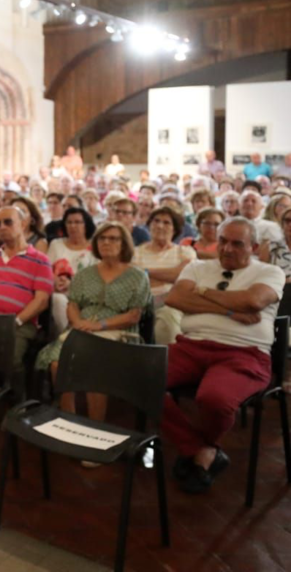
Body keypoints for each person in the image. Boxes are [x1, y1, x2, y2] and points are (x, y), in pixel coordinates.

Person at [162, 218, 284, 493]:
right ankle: (201, 450)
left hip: (244, 353)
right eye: (223, 241)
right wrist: (229, 310)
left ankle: (197, 451)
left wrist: (203, 292)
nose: (227, 249)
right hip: (190, 346)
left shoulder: (270, 272)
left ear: (253, 247)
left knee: (214, 399)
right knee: (139, 379)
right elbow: (175, 299)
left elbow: (253, 301)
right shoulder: (197, 266)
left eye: (237, 243)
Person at [35, 222, 150, 440]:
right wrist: (78, 322)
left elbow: (133, 315)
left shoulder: (137, 276)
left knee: (93, 368)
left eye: (114, 238)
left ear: (124, 243)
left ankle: (94, 431)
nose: (106, 242)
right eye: (102, 239)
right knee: (58, 363)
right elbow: (73, 304)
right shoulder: (85, 273)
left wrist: (99, 326)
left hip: (119, 332)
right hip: (82, 328)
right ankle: (69, 425)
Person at [0, 206, 54, 396]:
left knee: (9, 356)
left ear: (23, 224)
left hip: (18, 322)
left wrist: (15, 322)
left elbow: (41, 301)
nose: (2, 227)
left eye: (8, 222)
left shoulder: (40, 260)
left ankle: (17, 399)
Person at [133, 206, 196, 345]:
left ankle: (167, 361)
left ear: (175, 229)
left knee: (168, 317)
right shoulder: (135, 252)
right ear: (149, 225)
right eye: (156, 221)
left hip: (172, 303)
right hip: (141, 303)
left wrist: (145, 272)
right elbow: (133, 280)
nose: (160, 225)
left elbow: (179, 276)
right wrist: (167, 275)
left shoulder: (184, 251)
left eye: (166, 222)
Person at [45, 207, 97, 334]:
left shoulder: (95, 248)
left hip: (84, 296)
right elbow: (46, 270)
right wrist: (54, 280)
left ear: (86, 225)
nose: (73, 226)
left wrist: (72, 283)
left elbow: (97, 278)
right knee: (58, 299)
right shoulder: (56, 244)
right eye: (69, 222)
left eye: (78, 222)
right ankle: (65, 338)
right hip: (57, 292)